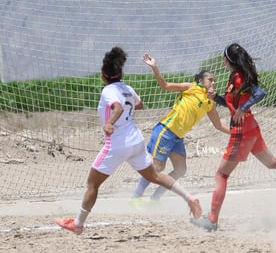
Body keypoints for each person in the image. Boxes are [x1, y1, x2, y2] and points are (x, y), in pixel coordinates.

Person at [55, 47, 202, 234]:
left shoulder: (108, 91)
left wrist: (109, 122)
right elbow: (139, 105)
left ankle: (78, 224)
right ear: (121, 73)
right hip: (136, 141)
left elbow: (117, 108)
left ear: (103, 76)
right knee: (155, 176)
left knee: (92, 184)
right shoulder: (128, 88)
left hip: (117, 144)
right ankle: (189, 197)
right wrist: (128, 105)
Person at [190, 43, 276, 231]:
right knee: (272, 163)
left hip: (241, 131)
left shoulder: (237, 76)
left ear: (227, 60)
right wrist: (217, 98)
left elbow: (260, 93)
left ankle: (212, 220)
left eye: (223, 58)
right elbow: (234, 104)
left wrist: (243, 109)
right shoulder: (239, 76)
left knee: (221, 174)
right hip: (251, 127)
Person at [131, 53, 229, 202]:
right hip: (166, 130)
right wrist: (155, 67)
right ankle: (136, 197)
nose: (213, 83)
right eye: (210, 79)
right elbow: (165, 85)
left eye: (214, 80)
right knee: (157, 168)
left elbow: (218, 125)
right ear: (200, 80)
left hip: (177, 138)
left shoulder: (209, 103)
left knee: (180, 170)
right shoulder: (191, 87)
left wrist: (237, 133)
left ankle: (154, 199)